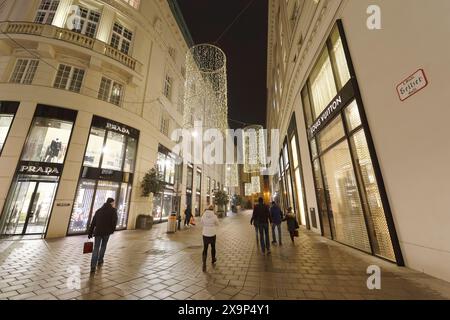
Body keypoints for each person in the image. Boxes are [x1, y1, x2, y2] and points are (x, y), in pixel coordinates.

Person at [88, 198, 118, 273]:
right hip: (106, 232)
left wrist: (90, 232)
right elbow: (114, 222)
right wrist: (112, 230)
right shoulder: (113, 211)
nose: (114, 204)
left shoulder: (99, 211)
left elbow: (93, 223)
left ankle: (92, 266)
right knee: (103, 246)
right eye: (113, 203)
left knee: (96, 248)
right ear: (111, 203)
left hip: (98, 232)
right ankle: (100, 260)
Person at [201, 205, 219, 272]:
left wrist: (206, 225)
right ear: (213, 209)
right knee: (213, 247)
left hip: (205, 234)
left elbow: (201, 222)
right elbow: (217, 223)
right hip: (212, 234)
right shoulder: (214, 216)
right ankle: (213, 259)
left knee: (205, 248)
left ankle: (204, 263)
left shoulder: (204, 215)